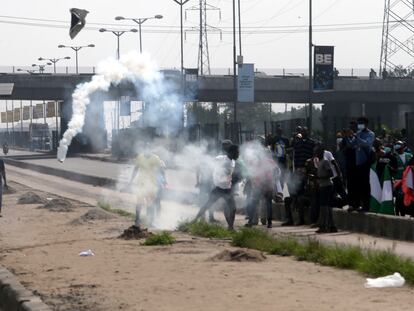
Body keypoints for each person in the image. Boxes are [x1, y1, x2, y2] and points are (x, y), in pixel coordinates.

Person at [194, 144, 240, 230]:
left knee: (233, 209)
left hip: (227, 189)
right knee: (207, 205)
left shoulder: (233, 162)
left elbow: (229, 174)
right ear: (231, 152)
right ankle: (194, 221)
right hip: (218, 188)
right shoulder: (221, 158)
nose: (238, 154)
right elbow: (208, 163)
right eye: (237, 152)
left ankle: (231, 227)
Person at [343, 117, 375, 212]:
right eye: (359, 123)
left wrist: (356, 136)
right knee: (358, 185)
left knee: (365, 185)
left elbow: (366, 144)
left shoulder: (370, 134)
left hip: (365, 162)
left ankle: (366, 206)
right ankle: (358, 205)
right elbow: (351, 145)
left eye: (361, 123)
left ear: (366, 124)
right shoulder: (358, 133)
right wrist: (346, 136)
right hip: (358, 163)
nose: (359, 125)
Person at [128, 149, 166, 228]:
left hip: (152, 183)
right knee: (139, 202)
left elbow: (161, 170)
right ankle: (137, 219)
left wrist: (163, 180)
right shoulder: (140, 157)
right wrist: (131, 180)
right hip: (141, 183)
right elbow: (136, 169)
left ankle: (150, 221)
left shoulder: (156, 158)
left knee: (150, 203)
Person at [313, 147, 336, 233]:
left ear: (321, 153)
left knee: (324, 207)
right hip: (323, 185)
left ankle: (324, 226)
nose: (316, 154)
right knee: (327, 207)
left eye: (317, 152)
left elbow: (331, 173)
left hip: (327, 186)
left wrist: (320, 177)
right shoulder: (319, 162)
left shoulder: (325, 161)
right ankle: (332, 226)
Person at [393, 141, 412, 216]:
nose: (399, 150)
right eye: (397, 149)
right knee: (399, 198)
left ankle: (410, 212)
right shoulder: (394, 157)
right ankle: (398, 214)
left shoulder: (409, 155)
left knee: (409, 197)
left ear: (403, 147)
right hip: (399, 181)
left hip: (408, 180)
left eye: (400, 148)